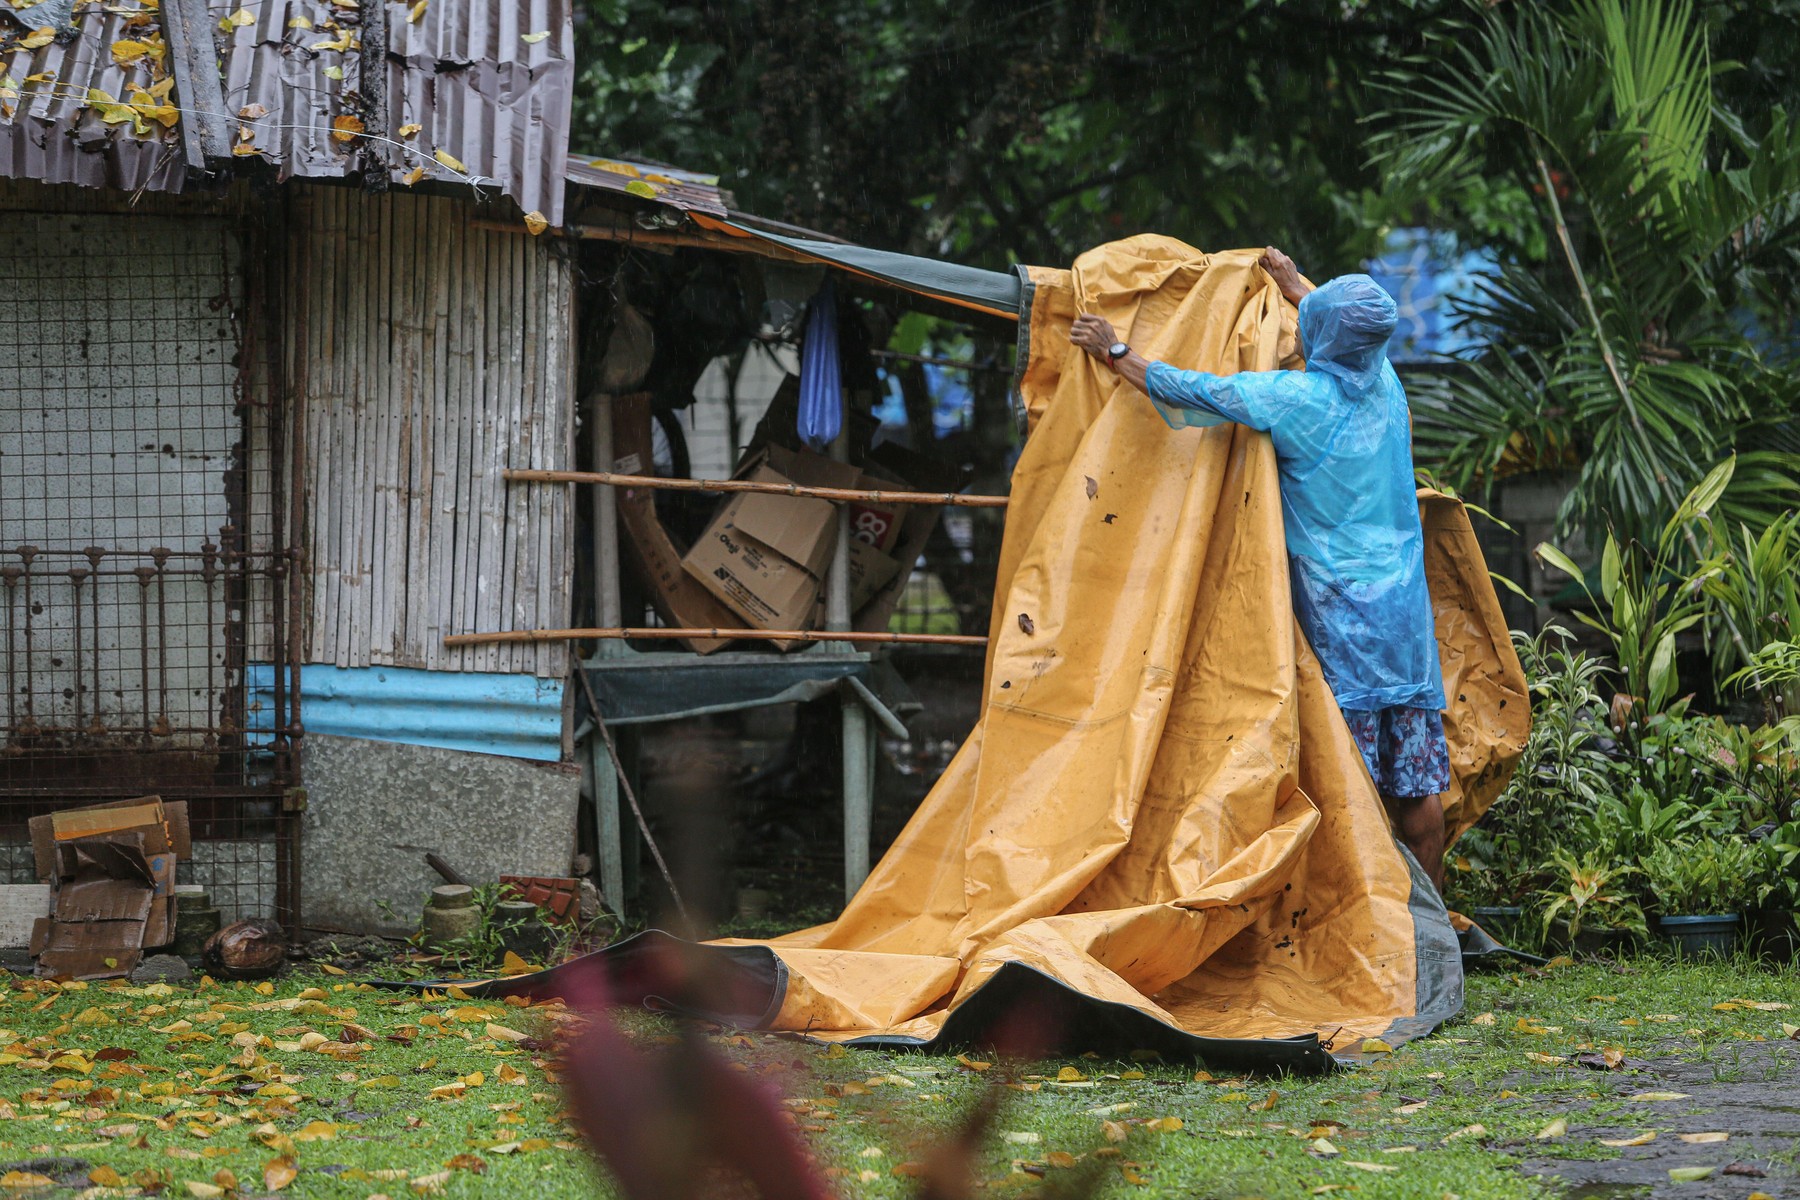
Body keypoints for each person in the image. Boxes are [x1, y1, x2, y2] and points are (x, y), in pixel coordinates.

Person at [1068, 248, 1451, 890]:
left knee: (1342, 788)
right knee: (1416, 788)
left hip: (1340, 631)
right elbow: (1354, 325)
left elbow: (1193, 389)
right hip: (1405, 629)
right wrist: (1301, 286)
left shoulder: (1297, 398)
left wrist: (1113, 351)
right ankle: (1429, 935)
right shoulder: (1386, 386)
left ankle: (1355, 932)